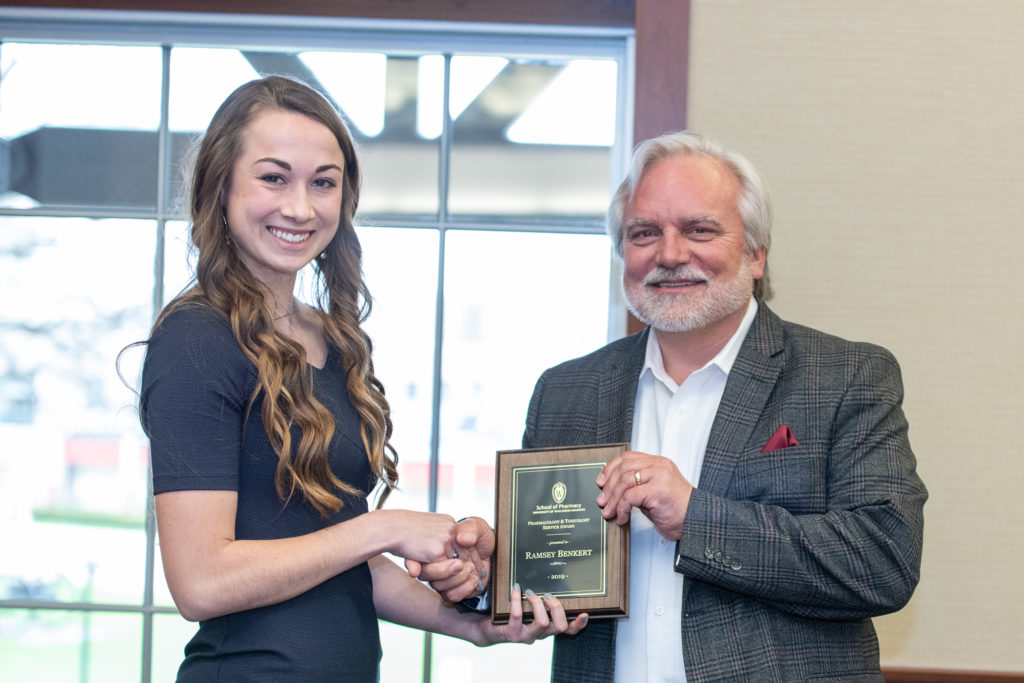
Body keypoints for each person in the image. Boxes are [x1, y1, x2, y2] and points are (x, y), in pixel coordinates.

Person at [418, 130, 927, 682]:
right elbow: (552, 572)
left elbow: (883, 563)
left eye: (699, 229)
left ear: (756, 254)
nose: (669, 254)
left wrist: (694, 515)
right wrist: (489, 574)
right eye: (644, 233)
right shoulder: (566, 390)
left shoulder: (845, 377)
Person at [137, 76, 585, 682]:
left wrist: (471, 623)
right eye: (274, 177)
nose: (300, 206)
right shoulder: (196, 339)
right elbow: (201, 582)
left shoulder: (332, 341)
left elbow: (341, 564)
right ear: (221, 187)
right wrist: (386, 527)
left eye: (323, 182)